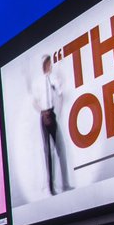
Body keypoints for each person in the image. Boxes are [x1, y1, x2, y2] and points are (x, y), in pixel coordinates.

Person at [38, 55, 72, 196]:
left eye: (50, 64)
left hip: (51, 114)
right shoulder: (39, 82)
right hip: (43, 115)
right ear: (45, 65)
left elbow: (60, 93)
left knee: (60, 149)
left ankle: (65, 184)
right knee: (48, 152)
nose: (50, 66)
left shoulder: (52, 79)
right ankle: (51, 188)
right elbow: (35, 100)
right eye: (48, 64)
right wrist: (43, 113)